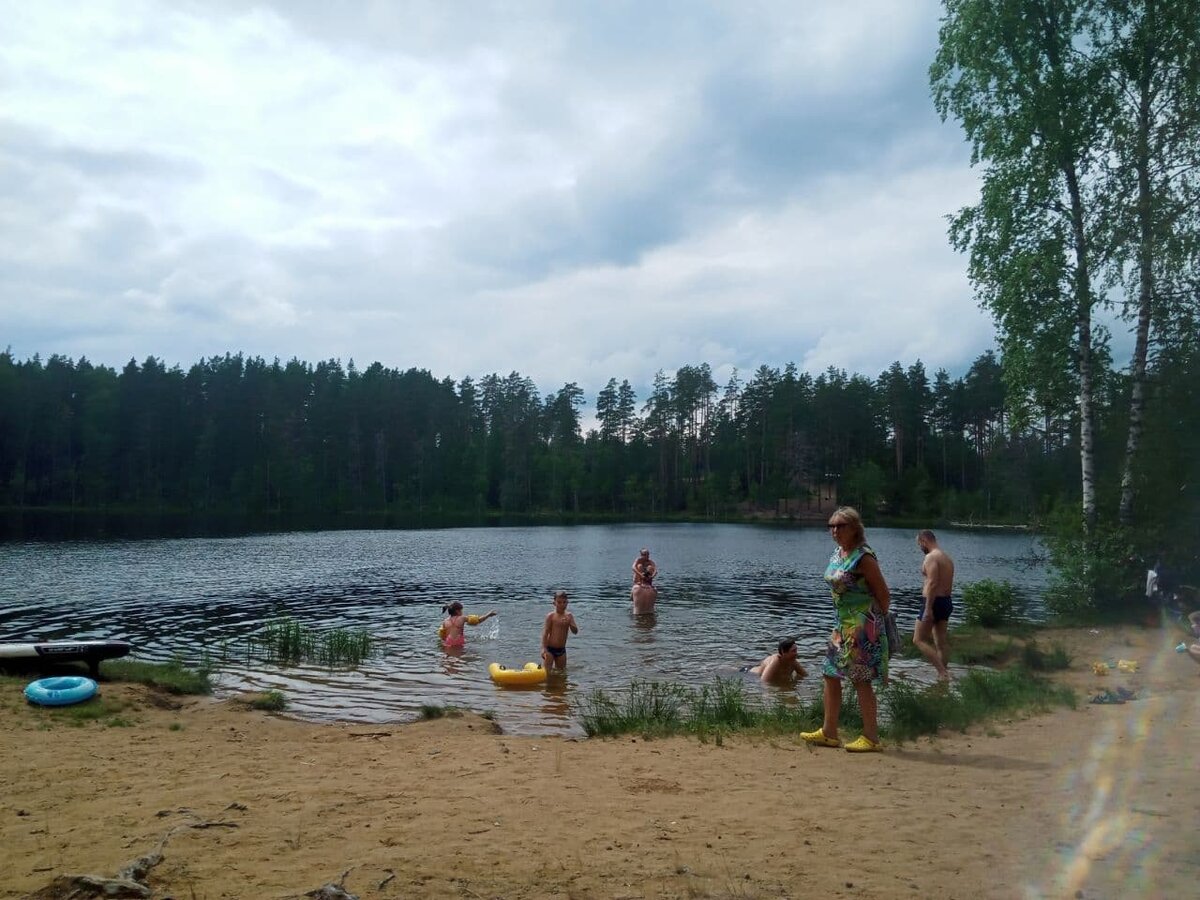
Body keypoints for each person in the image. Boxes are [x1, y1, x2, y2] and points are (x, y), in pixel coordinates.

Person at [800, 506, 891, 753]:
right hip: (841, 625)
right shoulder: (838, 553)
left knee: (861, 679)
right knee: (830, 674)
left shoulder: (864, 557)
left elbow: (884, 595)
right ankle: (829, 732)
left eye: (840, 526)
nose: (835, 531)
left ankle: (871, 737)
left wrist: (873, 625)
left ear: (855, 529)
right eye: (831, 526)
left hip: (862, 626)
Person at [914, 529, 955, 681]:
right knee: (940, 642)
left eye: (920, 544)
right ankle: (943, 675)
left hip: (933, 601)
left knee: (918, 640)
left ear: (924, 540)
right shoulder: (946, 558)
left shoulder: (931, 557)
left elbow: (932, 583)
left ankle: (942, 672)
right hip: (946, 601)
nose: (920, 548)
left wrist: (928, 608)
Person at [541, 590, 579, 672]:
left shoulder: (569, 616)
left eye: (564, 602)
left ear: (567, 603)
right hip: (550, 649)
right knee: (547, 673)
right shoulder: (551, 616)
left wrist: (570, 623)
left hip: (561, 650)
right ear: (554, 603)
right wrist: (544, 649)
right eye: (559, 602)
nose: (562, 605)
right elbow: (545, 633)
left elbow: (575, 632)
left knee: (561, 673)